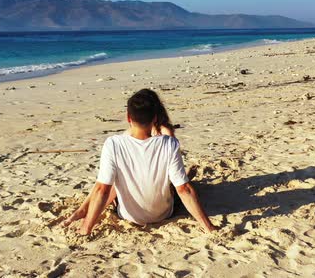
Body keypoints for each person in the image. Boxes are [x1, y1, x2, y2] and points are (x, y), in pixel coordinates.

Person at [63, 89, 216, 235]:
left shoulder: (114, 144)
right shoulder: (169, 143)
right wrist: (208, 227)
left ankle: (83, 212)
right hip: (162, 214)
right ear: (155, 118)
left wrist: (86, 228)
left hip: (128, 216)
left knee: (110, 180)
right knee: (179, 184)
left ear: (128, 118)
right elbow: (184, 190)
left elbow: (102, 190)